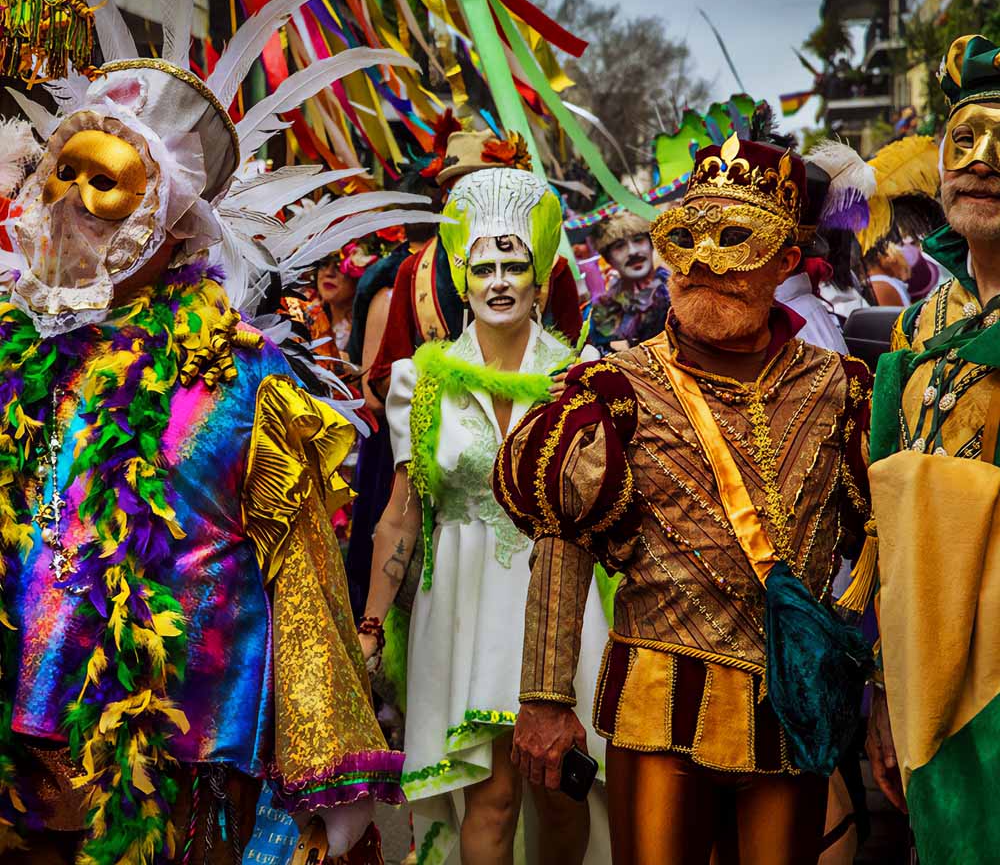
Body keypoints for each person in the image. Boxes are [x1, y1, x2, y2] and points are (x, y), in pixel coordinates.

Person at [0, 0, 433, 863]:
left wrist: (327, 768)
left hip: (165, 769)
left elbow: (305, 578)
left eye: (103, 184)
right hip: (14, 753)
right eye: (59, 173)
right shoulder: (15, 347)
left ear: (164, 218)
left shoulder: (242, 378)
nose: (70, 201)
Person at [495, 132, 874, 865]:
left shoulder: (840, 389)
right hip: (657, 702)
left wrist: (885, 693)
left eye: (734, 240)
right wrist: (544, 698)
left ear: (786, 262)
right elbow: (562, 536)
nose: (702, 262)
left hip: (789, 705)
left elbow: (886, 545)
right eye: (686, 239)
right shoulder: (616, 388)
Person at [358, 167, 610, 865]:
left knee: (563, 791)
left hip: (563, 609)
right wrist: (372, 628)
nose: (499, 281)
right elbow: (400, 517)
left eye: (515, 264)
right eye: (484, 266)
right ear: (462, 278)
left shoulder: (580, 373)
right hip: (463, 610)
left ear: (541, 276)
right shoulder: (421, 379)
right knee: (489, 797)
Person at [865, 33, 1000, 865]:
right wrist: (884, 685)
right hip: (928, 670)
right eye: (966, 141)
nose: (984, 162)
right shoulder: (918, 327)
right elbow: (886, 527)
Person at [366, 129, 583, 399]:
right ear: (445, 200)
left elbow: (576, 359)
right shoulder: (413, 272)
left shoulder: (553, 270)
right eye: (466, 192)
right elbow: (385, 377)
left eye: (494, 190)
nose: (481, 203)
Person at [588, 210, 669, 353]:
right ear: (608, 259)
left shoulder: (678, 290)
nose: (632, 252)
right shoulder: (603, 311)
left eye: (638, 240)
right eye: (619, 246)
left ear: (651, 245)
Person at [283, 244, 377, 365]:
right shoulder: (303, 315)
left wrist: (351, 368)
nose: (329, 273)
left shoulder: (370, 322)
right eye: (324, 264)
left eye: (339, 266)